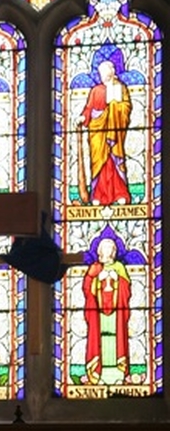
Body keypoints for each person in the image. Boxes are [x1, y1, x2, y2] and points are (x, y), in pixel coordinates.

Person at [77, 59, 132, 205]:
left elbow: (126, 107)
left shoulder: (121, 88)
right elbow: (89, 108)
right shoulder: (96, 90)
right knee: (98, 163)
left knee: (113, 161)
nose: (102, 75)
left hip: (114, 130)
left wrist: (114, 106)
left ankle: (119, 193)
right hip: (97, 131)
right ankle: (98, 195)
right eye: (100, 72)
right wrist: (83, 117)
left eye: (104, 72)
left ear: (111, 72)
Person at [82, 236, 131, 386]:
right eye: (105, 248)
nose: (108, 251)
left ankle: (119, 371)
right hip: (98, 313)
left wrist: (118, 279)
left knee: (116, 338)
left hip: (117, 312)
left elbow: (127, 290)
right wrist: (96, 278)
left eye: (111, 248)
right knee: (99, 338)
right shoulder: (95, 268)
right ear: (100, 251)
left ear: (114, 251)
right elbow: (86, 288)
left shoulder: (120, 268)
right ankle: (97, 372)